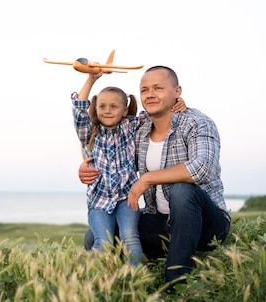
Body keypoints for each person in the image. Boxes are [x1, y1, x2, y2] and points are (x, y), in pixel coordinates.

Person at [79, 66, 231, 291]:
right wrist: (86, 167)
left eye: (158, 88)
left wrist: (148, 178)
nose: (150, 94)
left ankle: (175, 283)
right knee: (96, 237)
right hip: (160, 220)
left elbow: (203, 169)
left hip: (207, 225)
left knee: (182, 190)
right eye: (144, 90)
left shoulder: (197, 122)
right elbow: (107, 143)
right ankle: (152, 260)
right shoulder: (139, 128)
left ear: (177, 91)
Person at [71, 72, 185, 266]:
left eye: (114, 106)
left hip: (127, 199)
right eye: (102, 106)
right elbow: (79, 110)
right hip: (99, 202)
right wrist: (91, 79)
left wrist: (177, 102)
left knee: (130, 237)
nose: (107, 110)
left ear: (124, 110)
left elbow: (158, 110)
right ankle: (85, 277)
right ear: (96, 108)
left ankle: (136, 276)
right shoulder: (90, 133)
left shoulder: (131, 127)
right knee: (102, 241)